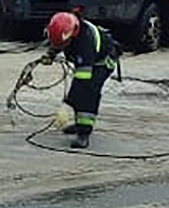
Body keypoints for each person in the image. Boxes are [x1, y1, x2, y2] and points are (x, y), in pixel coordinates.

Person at [39, 11, 122, 149]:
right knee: (81, 92)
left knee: (88, 93)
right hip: (89, 60)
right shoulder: (67, 29)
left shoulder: (85, 42)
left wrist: (66, 105)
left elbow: (81, 82)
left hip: (102, 63)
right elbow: (59, 41)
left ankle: (84, 133)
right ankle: (79, 124)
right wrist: (51, 54)